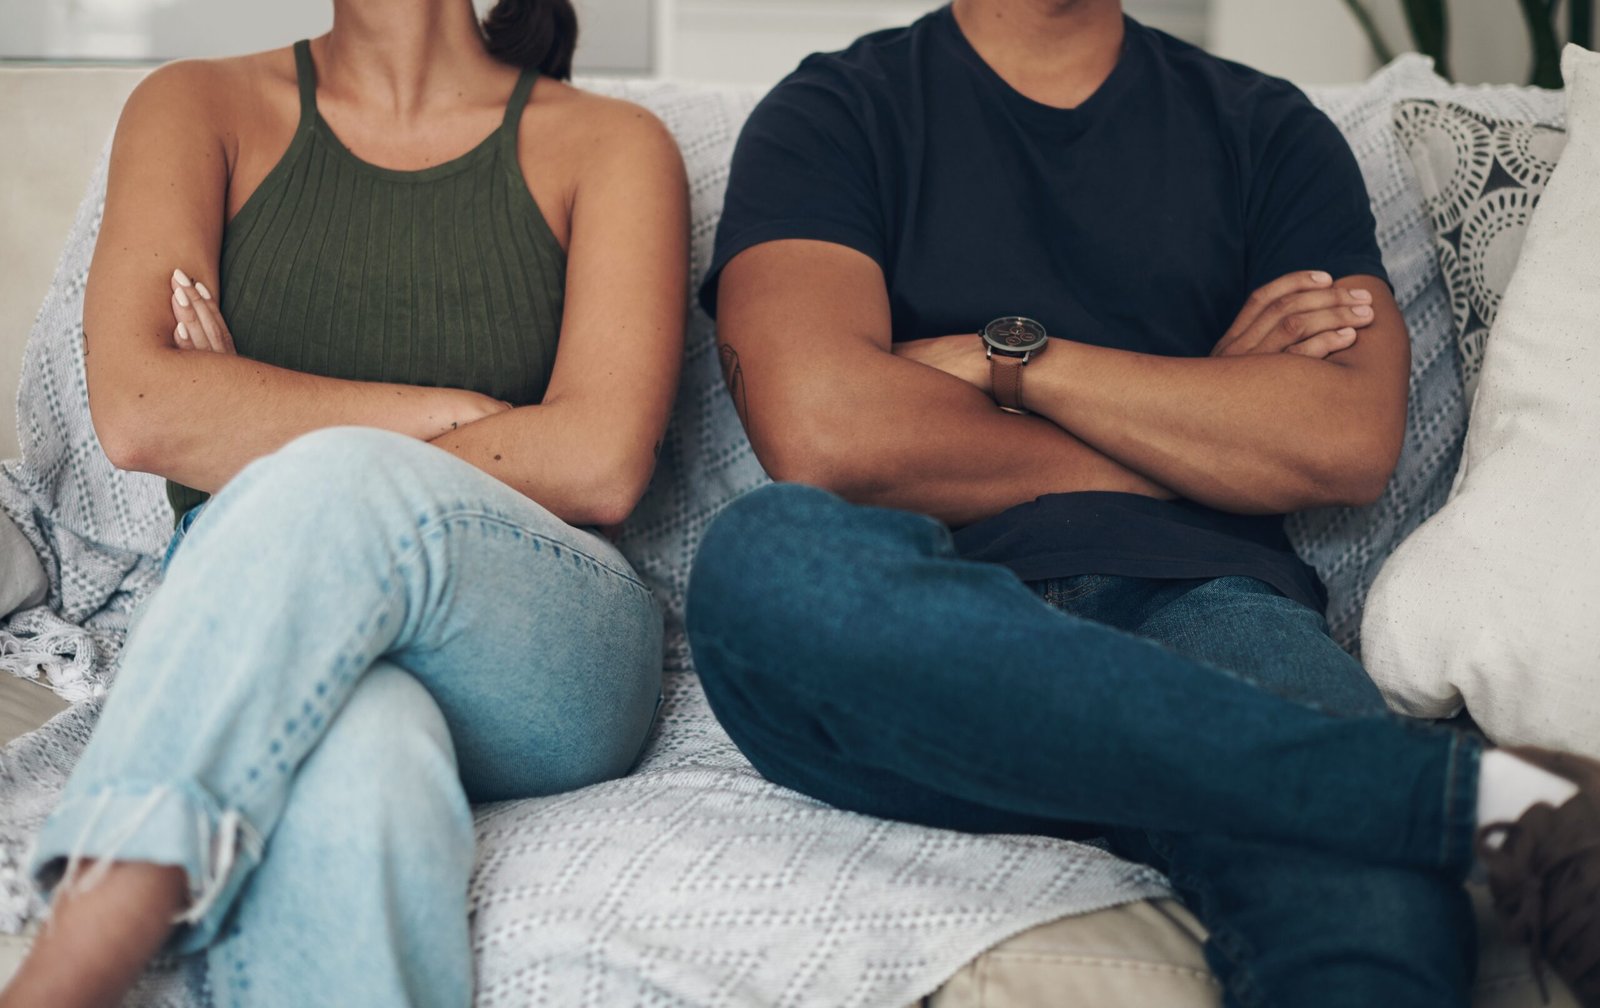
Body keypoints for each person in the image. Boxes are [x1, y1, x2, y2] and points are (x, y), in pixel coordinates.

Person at [686, 1, 1600, 1006]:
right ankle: (1465, 800)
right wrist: (1203, 416)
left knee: (1376, 926)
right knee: (767, 557)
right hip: (928, 624)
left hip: (1212, 604)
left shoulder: (1265, 126)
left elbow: (1342, 443)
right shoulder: (832, 111)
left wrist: (1014, 363)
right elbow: (825, 433)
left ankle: (1403, 801)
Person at [0, 0, 687, 1005]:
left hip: (543, 649)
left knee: (323, 479)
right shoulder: (196, 107)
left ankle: (82, 951)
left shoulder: (609, 146)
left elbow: (599, 461)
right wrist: (452, 417)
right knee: (365, 753)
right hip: (276, 651)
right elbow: (143, 413)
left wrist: (261, 413)